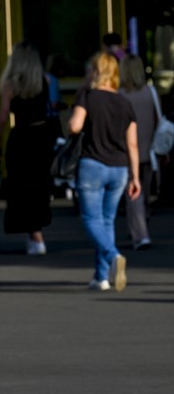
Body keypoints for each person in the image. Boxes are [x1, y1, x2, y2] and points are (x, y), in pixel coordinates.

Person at [68, 53, 141, 291]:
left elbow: (74, 126)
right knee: (107, 221)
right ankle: (101, 276)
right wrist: (135, 177)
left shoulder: (87, 96)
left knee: (91, 219)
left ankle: (113, 255)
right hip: (119, 168)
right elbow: (132, 144)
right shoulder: (124, 103)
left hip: (92, 164)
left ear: (95, 71)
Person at [0, 42, 57, 255]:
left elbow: (3, 117)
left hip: (21, 137)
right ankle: (36, 231)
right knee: (40, 184)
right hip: (42, 136)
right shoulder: (44, 81)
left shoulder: (10, 85)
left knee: (21, 185)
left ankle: (34, 234)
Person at [118, 56, 158, 250]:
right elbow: (157, 119)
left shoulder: (119, 95)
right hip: (149, 148)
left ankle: (140, 233)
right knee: (145, 192)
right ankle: (142, 224)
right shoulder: (151, 92)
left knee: (133, 194)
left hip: (126, 150)